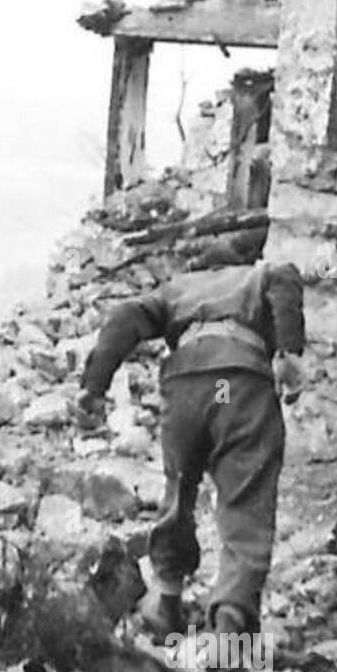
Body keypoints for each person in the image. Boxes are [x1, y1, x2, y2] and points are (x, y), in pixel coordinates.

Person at [74, 238, 305, 645]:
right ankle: (230, 626)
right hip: (237, 384)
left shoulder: (177, 288)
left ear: (198, 268)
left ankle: (166, 600)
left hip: (187, 389)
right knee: (245, 502)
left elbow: (127, 316)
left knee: (178, 491)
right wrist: (287, 351)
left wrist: (94, 387)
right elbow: (285, 276)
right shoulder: (253, 275)